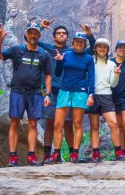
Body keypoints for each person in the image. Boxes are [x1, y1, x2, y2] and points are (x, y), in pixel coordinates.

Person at [0, 23, 52, 166]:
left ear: (39, 36)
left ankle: (31, 156)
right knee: (14, 122)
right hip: (18, 91)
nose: (33, 35)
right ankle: (13, 157)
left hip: (36, 93)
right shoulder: (17, 50)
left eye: (35, 33)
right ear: (26, 34)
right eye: (30, 32)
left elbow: (48, 75)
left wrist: (47, 94)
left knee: (33, 123)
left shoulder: (44, 54)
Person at [38, 19, 96, 162]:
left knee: (72, 123)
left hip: (77, 90)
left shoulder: (78, 54)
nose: (62, 35)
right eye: (59, 33)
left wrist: (89, 35)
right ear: (54, 36)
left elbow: (93, 49)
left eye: (64, 33)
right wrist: (40, 28)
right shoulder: (51, 50)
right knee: (52, 123)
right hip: (55, 91)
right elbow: (34, 41)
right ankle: (51, 154)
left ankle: (73, 153)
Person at [88, 38, 123, 161]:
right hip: (93, 95)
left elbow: (113, 84)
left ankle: (119, 152)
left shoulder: (112, 64)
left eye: (104, 47)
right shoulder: (90, 61)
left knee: (113, 124)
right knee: (94, 126)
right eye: (99, 46)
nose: (102, 49)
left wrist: (117, 74)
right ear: (95, 48)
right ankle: (96, 154)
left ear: (108, 49)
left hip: (106, 95)